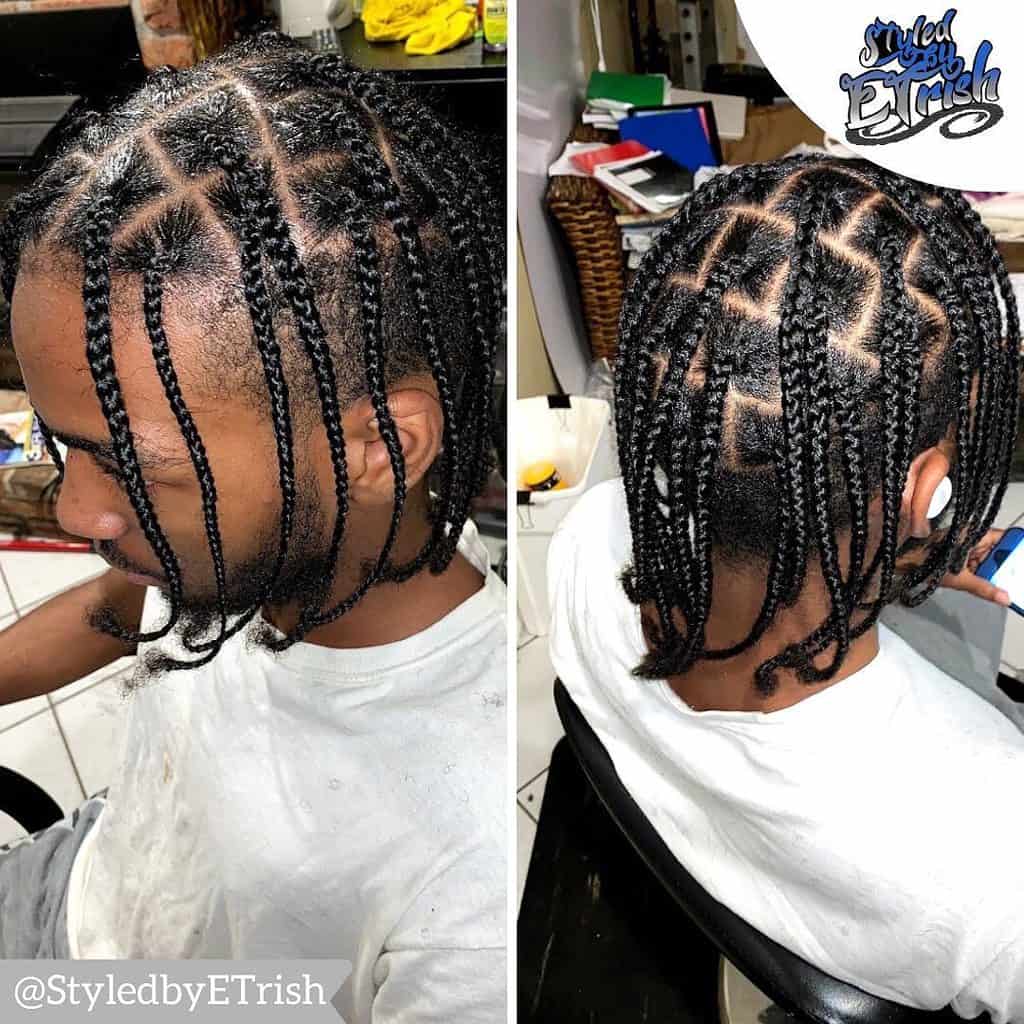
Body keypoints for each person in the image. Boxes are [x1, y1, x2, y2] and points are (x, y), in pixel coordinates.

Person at [0, 30, 506, 1023]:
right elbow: (118, 611)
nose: (73, 512)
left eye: (132, 464)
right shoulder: (230, 546)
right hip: (95, 888)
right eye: (70, 450)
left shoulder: (465, 895)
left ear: (380, 448)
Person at [549, 155, 1024, 1019]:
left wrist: (900, 548)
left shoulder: (582, 547)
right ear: (924, 494)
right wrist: (895, 541)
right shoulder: (997, 852)